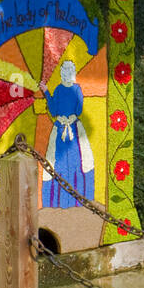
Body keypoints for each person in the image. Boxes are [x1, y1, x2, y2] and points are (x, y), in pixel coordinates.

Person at [39, 59, 93, 207]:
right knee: (67, 161)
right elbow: (78, 110)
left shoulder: (59, 89)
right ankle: (73, 201)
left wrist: (46, 92)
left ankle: (62, 201)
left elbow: (55, 110)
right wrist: (46, 92)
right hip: (70, 129)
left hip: (66, 129)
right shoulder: (76, 89)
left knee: (61, 161)